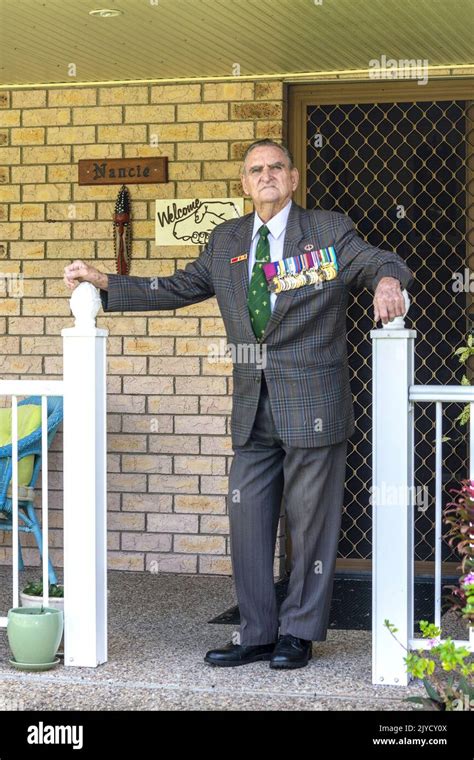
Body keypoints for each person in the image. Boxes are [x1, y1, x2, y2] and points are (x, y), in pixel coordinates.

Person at [64, 138, 414, 670]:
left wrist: (388, 279)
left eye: (277, 167)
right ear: (244, 184)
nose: (267, 175)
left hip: (314, 404)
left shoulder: (326, 230)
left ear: (293, 179)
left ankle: (299, 632)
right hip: (253, 408)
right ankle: (255, 632)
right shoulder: (227, 240)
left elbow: (374, 260)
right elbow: (176, 287)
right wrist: (106, 282)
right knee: (247, 522)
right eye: (256, 170)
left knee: (309, 525)